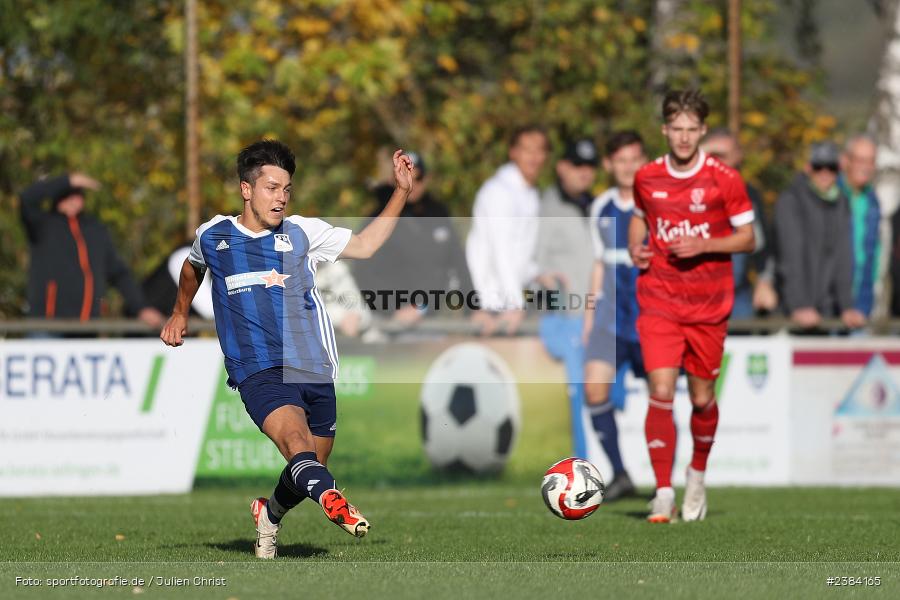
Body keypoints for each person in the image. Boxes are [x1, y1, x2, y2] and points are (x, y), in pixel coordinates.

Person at [160, 140, 414, 558]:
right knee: (298, 447)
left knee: (311, 467)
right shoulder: (215, 236)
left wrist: (401, 191)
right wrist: (179, 313)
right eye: (271, 187)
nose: (280, 198)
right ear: (247, 189)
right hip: (257, 369)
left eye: (286, 189)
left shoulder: (303, 232)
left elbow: (367, 246)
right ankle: (335, 504)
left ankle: (270, 514)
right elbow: (192, 268)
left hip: (314, 366)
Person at [629, 89, 755, 523]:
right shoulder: (646, 176)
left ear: (702, 130)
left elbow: (748, 237)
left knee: (702, 399)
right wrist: (635, 247)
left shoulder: (724, 179)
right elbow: (640, 216)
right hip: (660, 297)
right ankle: (663, 492)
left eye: (691, 130)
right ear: (665, 130)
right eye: (676, 129)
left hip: (708, 304)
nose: (683, 138)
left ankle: (696, 474)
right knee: (661, 391)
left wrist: (705, 243)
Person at [582, 131, 648, 501]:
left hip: (649, 317)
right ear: (609, 164)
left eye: (634, 159)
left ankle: (664, 484)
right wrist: (589, 315)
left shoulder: (655, 204)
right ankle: (619, 474)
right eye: (620, 160)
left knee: (662, 395)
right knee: (594, 390)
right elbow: (598, 264)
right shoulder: (601, 206)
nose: (628, 167)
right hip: (609, 319)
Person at [19, 172, 163, 330]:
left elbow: (119, 273)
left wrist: (141, 307)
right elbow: (27, 199)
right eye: (67, 195)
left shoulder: (95, 230)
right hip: (48, 328)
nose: (73, 200)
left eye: (77, 195)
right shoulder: (43, 225)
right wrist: (68, 180)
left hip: (87, 328)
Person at [533, 137, 600, 463]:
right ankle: (580, 464)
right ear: (561, 168)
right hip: (564, 317)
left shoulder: (595, 205)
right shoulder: (545, 207)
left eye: (590, 167)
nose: (584, 173)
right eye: (577, 166)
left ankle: (600, 462)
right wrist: (543, 275)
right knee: (578, 392)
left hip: (598, 316)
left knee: (604, 392)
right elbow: (532, 260)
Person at [354, 151, 471, 326]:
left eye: (418, 178)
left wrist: (473, 309)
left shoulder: (438, 213)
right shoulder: (379, 219)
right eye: (406, 176)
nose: (412, 184)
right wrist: (392, 310)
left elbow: (457, 262)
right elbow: (363, 271)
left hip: (434, 318)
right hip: (389, 322)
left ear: (427, 179)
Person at [775, 141, 867, 331]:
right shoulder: (791, 200)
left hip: (826, 311)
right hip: (793, 312)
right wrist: (799, 305)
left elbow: (843, 257)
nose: (825, 173)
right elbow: (791, 258)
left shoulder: (841, 202)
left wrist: (846, 307)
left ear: (839, 169)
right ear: (808, 168)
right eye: (818, 167)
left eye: (831, 167)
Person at [467, 125, 549, 335]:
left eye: (539, 150)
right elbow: (500, 251)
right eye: (527, 149)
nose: (533, 156)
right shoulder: (498, 192)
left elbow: (521, 252)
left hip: (514, 301)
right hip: (492, 306)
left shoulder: (529, 193)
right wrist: (516, 303)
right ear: (513, 152)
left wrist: (538, 274)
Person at [700, 128, 778, 317]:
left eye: (725, 156)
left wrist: (764, 281)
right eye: (713, 155)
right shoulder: (686, 191)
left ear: (738, 158)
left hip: (737, 297)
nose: (719, 163)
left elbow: (762, 246)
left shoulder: (749, 195)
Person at [838, 135, 881, 319]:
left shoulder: (873, 201)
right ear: (845, 161)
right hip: (831, 305)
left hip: (861, 305)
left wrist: (864, 304)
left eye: (871, 161)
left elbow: (872, 256)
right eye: (860, 160)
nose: (867, 167)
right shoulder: (832, 197)